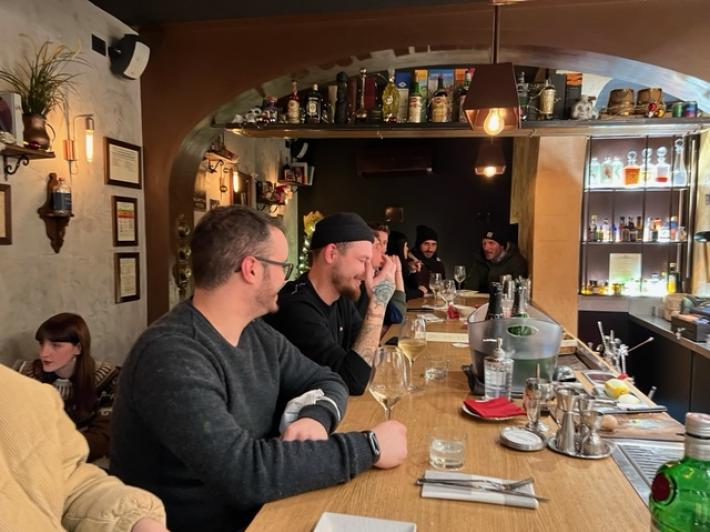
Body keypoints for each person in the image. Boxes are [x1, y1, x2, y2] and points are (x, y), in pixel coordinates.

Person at [110, 206, 407, 532]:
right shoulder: (171, 354)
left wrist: (316, 416)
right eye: (282, 266)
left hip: (268, 511)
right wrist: (369, 447)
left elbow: (328, 379)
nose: (285, 278)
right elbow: (244, 473)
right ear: (251, 269)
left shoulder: (256, 333)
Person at [0, 364, 167, 532]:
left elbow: (71, 482)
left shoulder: (23, 393)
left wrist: (135, 522)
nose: (45, 353)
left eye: (56, 349)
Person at [265, 212, 397, 395]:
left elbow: (367, 360)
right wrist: (379, 303)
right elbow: (352, 381)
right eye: (362, 260)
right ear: (331, 253)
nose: (368, 272)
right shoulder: (296, 308)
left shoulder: (341, 298)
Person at [17, 312, 120, 462]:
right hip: (35, 459)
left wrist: (56, 452)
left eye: (56, 345)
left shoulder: (109, 379)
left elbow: (103, 437)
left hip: (84, 459)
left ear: (78, 348)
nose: (43, 353)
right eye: (41, 344)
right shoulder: (27, 376)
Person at [354, 222, 407, 324]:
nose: (383, 249)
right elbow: (397, 317)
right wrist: (397, 272)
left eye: (385, 243)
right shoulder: (356, 280)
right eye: (377, 244)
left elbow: (397, 316)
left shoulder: (374, 276)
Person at [467, 225, 529, 293]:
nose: (486, 248)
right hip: (481, 299)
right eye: (484, 243)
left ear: (502, 246)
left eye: (491, 243)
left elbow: (518, 291)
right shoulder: (480, 260)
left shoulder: (516, 262)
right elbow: (469, 289)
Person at [387, 230, 428, 300]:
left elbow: (413, 286)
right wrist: (420, 292)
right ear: (399, 247)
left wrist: (413, 271)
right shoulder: (390, 266)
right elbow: (403, 294)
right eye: (405, 246)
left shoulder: (403, 264)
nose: (407, 249)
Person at [411, 224, 446, 289]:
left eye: (433, 244)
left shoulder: (438, 263)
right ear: (418, 244)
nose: (430, 249)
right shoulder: (411, 262)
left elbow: (442, 287)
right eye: (426, 244)